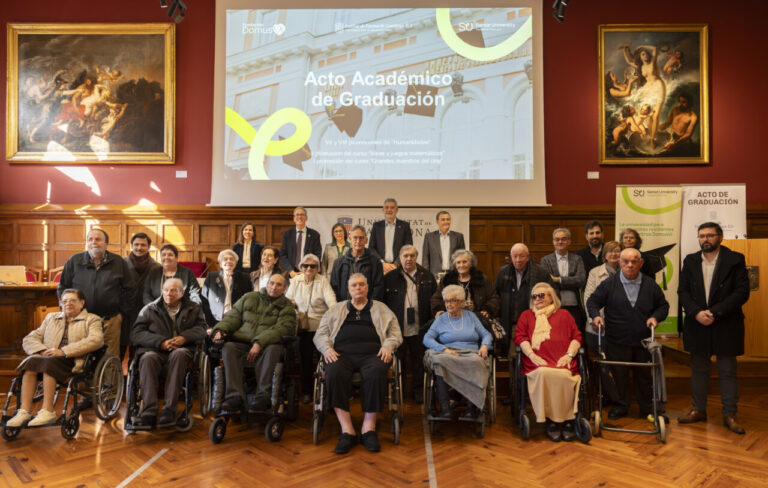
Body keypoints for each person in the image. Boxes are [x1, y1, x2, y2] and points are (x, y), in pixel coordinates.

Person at [314, 273, 402, 454]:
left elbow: (395, 334)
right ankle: (347, 431)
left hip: (373, 354)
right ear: (348, 289)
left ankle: (368, 429)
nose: (358, 288)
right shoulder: (335, 309)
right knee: (334, 373)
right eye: (354, 285)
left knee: (376, 372)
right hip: (341, 354)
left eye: (362, 284)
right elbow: (320, 335)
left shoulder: (382, 308)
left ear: (367, 288)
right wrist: (326, 349)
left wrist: (388, 346)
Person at [677, 222, 750, 434]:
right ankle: (698, 410)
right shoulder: (690, 260)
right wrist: (696, 313)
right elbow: (682, 292)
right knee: (699, 369)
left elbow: (741, 292)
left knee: (727, 371)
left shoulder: (735, 259)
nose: (705, 239)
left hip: (726, 322)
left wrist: (714, 312)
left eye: (710, 235)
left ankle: (730, 414)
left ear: (720, 236)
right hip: (697, 322)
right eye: (702, 236)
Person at [587, 248, 669, 421]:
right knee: (619, 375)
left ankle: (646, 408)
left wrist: (655, 317)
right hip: (617, 340)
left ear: (641, 263)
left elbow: (663, 306)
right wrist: (595, 316)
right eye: (626, 261)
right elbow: (592, 301)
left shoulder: (650, 284)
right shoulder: (609, 284)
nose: (630, 265)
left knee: (644, 376)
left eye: (634, 261)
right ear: (620, 262)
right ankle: (620, 406)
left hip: (642, 341)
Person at [6, 289, 103, 427]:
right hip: (47, 357)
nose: (68, 303)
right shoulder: (51, 317)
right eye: (64, 301)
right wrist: (42, 350)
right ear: (61, 303)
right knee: (31, 364)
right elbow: (30, 338)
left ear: (82, 303)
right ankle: (24, 411)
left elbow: (96, 340)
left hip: (73, 360)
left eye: (72, 300)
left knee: (49, 364)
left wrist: (63, 351)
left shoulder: (92, 319)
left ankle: (48, 411)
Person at [212, 274, 296, 412]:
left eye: (279, 285)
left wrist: (260, 343)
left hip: (267, 346)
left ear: (285, 289)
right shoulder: (249, 297)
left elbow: (283, 329)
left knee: (275, 348)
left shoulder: (287, 307)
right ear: (267, 284)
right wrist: (220, 330)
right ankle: (234, 397)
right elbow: (233, 317)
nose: (274, 287)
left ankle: (263, 396)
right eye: (272, 283)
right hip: (243, 343)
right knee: (229, 347)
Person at [130, 278, 207, 427]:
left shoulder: (193, 308)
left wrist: (184, 338)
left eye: (173, 290)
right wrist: (161, 342)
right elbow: (136, 333)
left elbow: (201, 329)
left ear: (182, 293)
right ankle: (148, 412)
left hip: (182, 349)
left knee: (179, 354)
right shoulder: (150, 309)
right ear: (162, 291)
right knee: (148, 358)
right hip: (156, 350)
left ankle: (169, 410)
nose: (169, 293)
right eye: (166, 290)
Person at [514, 282, 582, 442]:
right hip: (536, 363)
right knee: (544, 373)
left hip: (562, 360)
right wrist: (531, 355)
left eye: (541, 295)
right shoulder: (527, 315)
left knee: (564, 375)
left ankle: (568, 419)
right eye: (534, 296)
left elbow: (576, 337)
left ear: (551, 297)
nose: (537, 299)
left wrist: (569, 355)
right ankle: (551, 420)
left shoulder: (564, 314)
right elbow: (520, 337)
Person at [58, 228, 135, 360]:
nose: (94, 242)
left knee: (110, 358)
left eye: (98, 239)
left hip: (110, 320)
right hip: (81, 320)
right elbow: (63, 287)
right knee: (81, 357)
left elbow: (130, 289)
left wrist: (121, 313)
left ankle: (109, 376)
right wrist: (65, 309)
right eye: (90, 239)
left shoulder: (118, 262)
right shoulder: (74, 261)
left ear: (106, 244)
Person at [423, 284, 492, 422]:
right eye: (446, 301)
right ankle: (445, 408)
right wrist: (444, 349)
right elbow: (427, 338)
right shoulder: (441, 319)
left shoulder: (471, 316)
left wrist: (484, 346)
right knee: (439, 362)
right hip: (448, 353)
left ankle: (471, 408)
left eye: (452, 300)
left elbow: (486, 334)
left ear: (461, 302)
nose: (448, 304)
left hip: (470, 353)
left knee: (477, 362)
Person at [494, 243, 552, 403]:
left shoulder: (541, 273)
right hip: (512, 323)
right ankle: (516, 395)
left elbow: (552, 296)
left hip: (537, 323)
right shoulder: (503, 272)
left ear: (528, 257)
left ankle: (534, 395)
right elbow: (496, 295)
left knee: (536, 358)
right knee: (515, 358)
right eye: (515, 256)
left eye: (521, 256)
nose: (518, 259)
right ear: (510, 257)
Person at [383, 245, 437, 402]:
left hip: (421, 326)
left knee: (419, 360)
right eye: (405, 256)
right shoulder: (390, 277)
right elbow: (383, 304)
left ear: (416, 257)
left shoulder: (427, 276)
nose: (409, 259)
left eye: (412, 256)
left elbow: (434, 301)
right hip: (398, 328)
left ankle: (419, 390)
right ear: (400, 258)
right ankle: (397, 390)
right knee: (397, 360)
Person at [285, 254, 337, 404]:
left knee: (326, 360)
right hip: (302, 327)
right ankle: (307, 392)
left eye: (312, 266)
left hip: (320, 326)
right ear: (301, 268)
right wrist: (291, 303)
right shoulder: (295, 281)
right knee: (304, 361)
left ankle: (326, 392)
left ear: (317, 268)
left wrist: (333, 315)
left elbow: (332, 301)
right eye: (305, 266)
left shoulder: (323, 281)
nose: (309, 268)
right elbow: (287, 300)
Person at [431, 250, 499, 329]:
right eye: (458, 262)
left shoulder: (482, 279)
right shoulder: (447, 280)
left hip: (477, 320)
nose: (461, 265)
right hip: (452, 321)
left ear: (471, 263)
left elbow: (494, 298)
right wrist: (439, 310)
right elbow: (436, 298)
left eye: (464, 262)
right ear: (455, 265)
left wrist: (487, 309)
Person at [540, 228, 587, 333]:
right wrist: (571, 281)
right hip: (553, 306)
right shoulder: (545, 260)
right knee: (556, 335)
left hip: (574, 306)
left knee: (574, 334)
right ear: (553, 241)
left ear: (569, 241)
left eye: (563, 239)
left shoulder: (577, 259)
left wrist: (558, 280)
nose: (560, 242)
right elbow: (548, 283)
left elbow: (581, 280)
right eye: (557, 239)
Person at [621, 44, 666, 149]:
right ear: (640, 57)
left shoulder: (652, 62)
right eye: (642, 54)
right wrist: (624, 50)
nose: (645, 56)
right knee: (649, 115)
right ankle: (650, 136)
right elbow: (629, 61)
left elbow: (655, 48)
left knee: (656, 116)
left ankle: (652, 139)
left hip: (658, 87)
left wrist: (641, 46)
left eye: (646, 54)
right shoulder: (640, 67)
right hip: (648, 89)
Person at [582, 240, 623, 355]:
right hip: (599, 322)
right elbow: (588, 298)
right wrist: (592, 320)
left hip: (620, 324)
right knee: (600, 355)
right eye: (610, 251)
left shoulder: (627, 272)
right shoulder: (594, 272)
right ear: (605, 255)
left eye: (617, 251)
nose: (614, 254)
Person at [124, 232, 161, 348]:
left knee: (142, 345)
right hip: (126, 311)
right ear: (131, 246)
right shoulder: (121, 264)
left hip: (146, 311)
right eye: (136, 244)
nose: (139, 248)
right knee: (123, 344)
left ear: (149, 247)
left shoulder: (157, 267)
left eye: (143, 245)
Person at [201, 249, 252, 330]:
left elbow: (249, 301)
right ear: (220, 263)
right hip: (215, 321)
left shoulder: (244, 278)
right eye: (225, 259)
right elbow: (204, 300)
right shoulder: (211, 277)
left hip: (237, 322)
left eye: (231, 259)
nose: (229, 261)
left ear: (236, 262)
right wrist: (209, 324)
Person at [330, 225, 384, 301]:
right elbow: (334, 287)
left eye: (361, 238)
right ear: (350, 239)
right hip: (344, 305)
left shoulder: (375, 262)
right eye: (355, 238)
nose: (358, 241)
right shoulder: (338, 262)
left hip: (368, 306)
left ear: (366, 240)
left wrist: (370, 305)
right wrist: (341, 305)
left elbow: (378, 288)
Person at [368, 198, 413, 274]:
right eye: (386, 207)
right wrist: (382, 263)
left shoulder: (405, 226)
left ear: (397, 210)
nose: (389, 210)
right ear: (383, 210)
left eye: (392, 207)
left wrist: (396, 263)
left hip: (399, 268)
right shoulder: (376, 226)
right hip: (380, 268)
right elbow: (371, 248)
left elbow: (408, 247)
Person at [279, 207, 322, 278]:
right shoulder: (287, 234)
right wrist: (291, 271)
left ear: (306, 218)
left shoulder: (315, 235)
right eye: (297, 215)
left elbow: (317, 255)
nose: (299, 217)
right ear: (294, 218)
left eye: (302, 214)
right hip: (290, 274)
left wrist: (307, 269)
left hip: (308, 273)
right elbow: (283, 255)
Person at [421, 210, 466, 277]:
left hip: (453, 274)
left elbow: (462, 257)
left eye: (448, 219)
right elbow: (425, 258)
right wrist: (426, 275)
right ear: (437, 222)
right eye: (443, 220)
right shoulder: (429, 237)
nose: (446, 222)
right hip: (435, 275)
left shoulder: (458, 237)